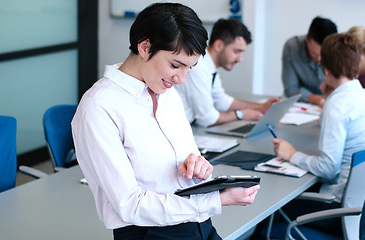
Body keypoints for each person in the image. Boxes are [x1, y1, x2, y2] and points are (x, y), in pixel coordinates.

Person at [71, 3, 260, 240]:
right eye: (175, 65)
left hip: (199, 225)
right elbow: (130, 206)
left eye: (189, 69)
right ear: (144, 47)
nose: (181, 79)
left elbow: (184, 163)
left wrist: (196, 165)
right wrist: (217, 199)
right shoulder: (99, 107)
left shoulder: (167, 93)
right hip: (149, 234)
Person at [269, 33, 365, 236]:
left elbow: (328, 168)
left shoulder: (336, 105)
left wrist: (291, 154)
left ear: (325, 69)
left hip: (340, 209)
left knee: (274, 205)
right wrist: (328, 97)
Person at [175, 18, 280, 127]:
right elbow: (207, 119)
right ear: (219, 45)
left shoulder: (209, 66)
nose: (240, 59)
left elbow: (222, 101)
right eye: (236, 52)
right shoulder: (198, 68)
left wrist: (260, 107)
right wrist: (241, 114)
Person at [281, 16, 337, 107]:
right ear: (307, 38)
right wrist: (317, 99)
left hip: (330, 103)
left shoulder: (339, 51)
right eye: (314, 53)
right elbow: (290, 89)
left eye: (323, 55)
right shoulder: (292, 47)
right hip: (300, 105)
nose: (319, 59)